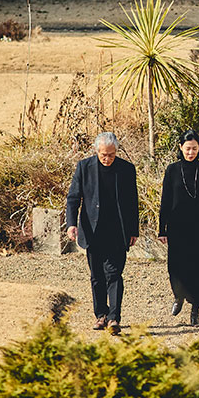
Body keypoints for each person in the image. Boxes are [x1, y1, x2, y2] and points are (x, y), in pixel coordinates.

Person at [65, 132, 140, 335]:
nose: (107, 158)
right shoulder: (84, 167)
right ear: (96, 151)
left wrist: (134, 230)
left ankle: (114, 318)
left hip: (117, 231)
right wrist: (71, 224)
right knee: (97, 276)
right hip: (92, 231)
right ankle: (101, 315)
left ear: (116, 151)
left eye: (111, 155)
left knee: (114, 274)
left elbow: (133, 201)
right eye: (103, 154)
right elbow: (73, 198)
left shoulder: (126, 169)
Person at [158, 130, 199, 325]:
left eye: (194, 148)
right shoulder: (172, 170)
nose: (191, 152)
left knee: (198, 268)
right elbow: (165, 201)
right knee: (176, 266)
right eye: (187, 149)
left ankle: (195, 309)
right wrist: (162, 229)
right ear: (180, 148)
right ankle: (178, 296)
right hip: (177, 226)